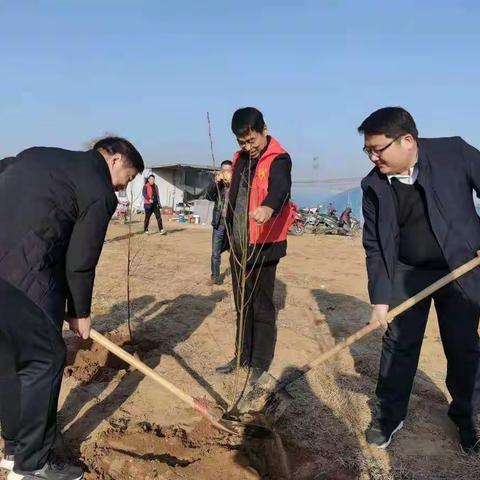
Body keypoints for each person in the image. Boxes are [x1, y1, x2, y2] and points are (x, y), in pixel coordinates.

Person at [0, 137, 144, 480]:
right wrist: (81, 312)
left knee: (7, 357)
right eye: (129, 175)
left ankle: (15, 448)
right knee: (45, 358)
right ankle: (32, 466)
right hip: (24, 276)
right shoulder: (98, 189)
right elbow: (80, 262)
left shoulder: (36, 155)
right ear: (115, 158)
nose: (126, 185)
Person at [359, 106, 480, 453]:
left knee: (463, 345)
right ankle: (389, 416)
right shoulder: (373, 185)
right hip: (406, 271)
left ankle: (468, 416)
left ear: (407, 141)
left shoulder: (454, 153)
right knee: (398, 344)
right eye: (367, 150)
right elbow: (375, 246)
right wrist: (380, 299)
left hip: (460, 267)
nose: (373, 157)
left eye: (378, 149)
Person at [216, 107, 294, 385]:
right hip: (239, 244)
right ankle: (241, 356)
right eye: (242, 142)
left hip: (264, 243)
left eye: (252, 140)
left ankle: (260, 362)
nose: (248, 146)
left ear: (264, 129)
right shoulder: (239, 159)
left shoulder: (279, 158)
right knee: (242, 304)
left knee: (261, 306)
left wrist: (269, 207)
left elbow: (281, 188)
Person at [204, 160, 233, 285]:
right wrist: (215, 182)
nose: (226, 173)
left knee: (236, 251)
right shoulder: (219, 186)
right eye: (223, 170)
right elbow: (209, 196)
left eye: (228, 170)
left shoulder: (236, 187)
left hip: (233, 225)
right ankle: (215, 277)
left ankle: (237, 275)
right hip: (219, 222)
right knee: (215, 252)